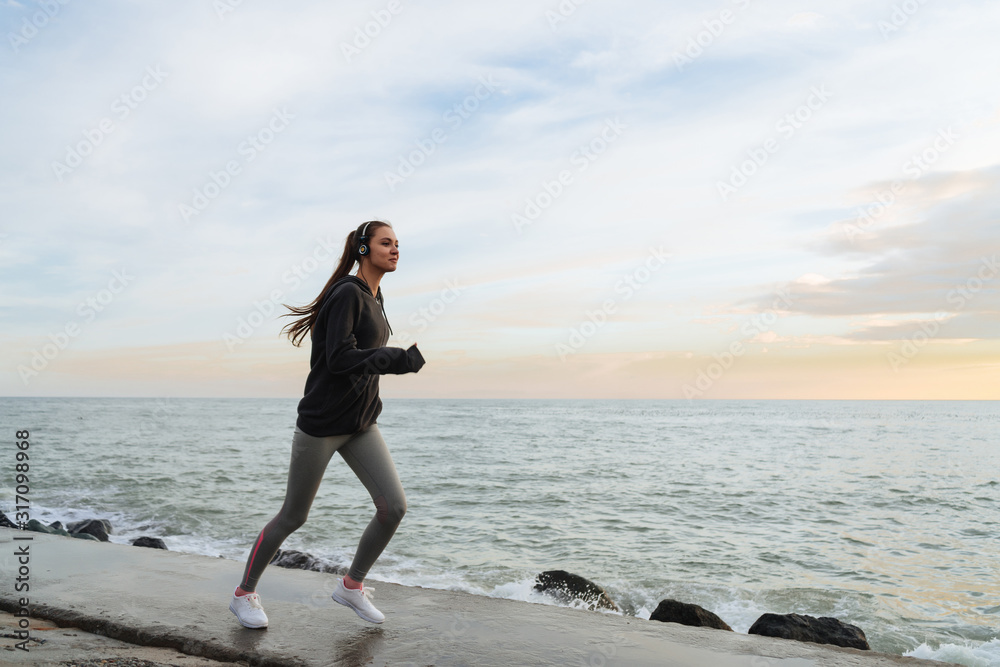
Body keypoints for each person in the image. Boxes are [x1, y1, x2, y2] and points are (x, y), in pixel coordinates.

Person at [229, 220, 425, 629]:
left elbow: (360, 357)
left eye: (397, 244)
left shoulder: (375, 295)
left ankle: (351, 587)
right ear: (362, 249)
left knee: (394, 507)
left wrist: (388, 364)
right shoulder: (347, 294)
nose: (395, 250)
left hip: (361, 424)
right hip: (321, 425)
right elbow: (338, 359)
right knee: (293, 516)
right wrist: (394, 359)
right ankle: (243, 594)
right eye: (386, 243)